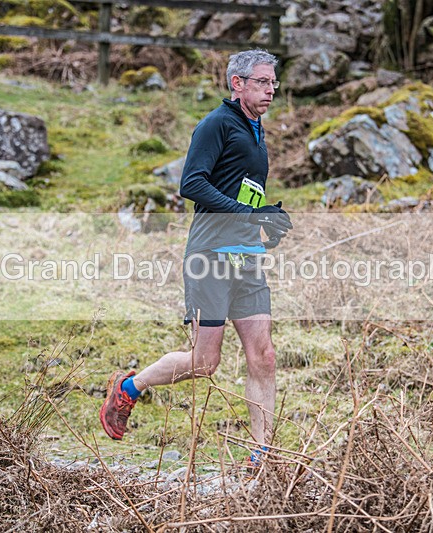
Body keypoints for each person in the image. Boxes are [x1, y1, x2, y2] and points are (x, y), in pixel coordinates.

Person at [100, 49, 291, 466]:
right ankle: (129, 388)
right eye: (262, 82)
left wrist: (266, 222)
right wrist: (248, 214)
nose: (271, 89)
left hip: (246, 257)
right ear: (237, 83)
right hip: (209, 256)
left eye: (273, 82)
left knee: (264, 356)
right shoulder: (216, 124)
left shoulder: (255, 129)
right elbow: (192, 184)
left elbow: (243, 195)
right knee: (206, 363)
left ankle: (263, 455)